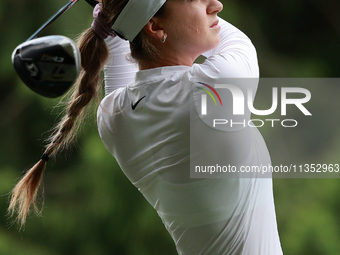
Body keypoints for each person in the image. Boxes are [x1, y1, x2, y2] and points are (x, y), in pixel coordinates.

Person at [9, 0, 283, 254]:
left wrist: (119, 18)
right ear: (154, 26)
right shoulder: (217, 86)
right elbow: (232, 39)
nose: (215, 5)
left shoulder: (116, 116)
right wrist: (113, 15)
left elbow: (123, 46)